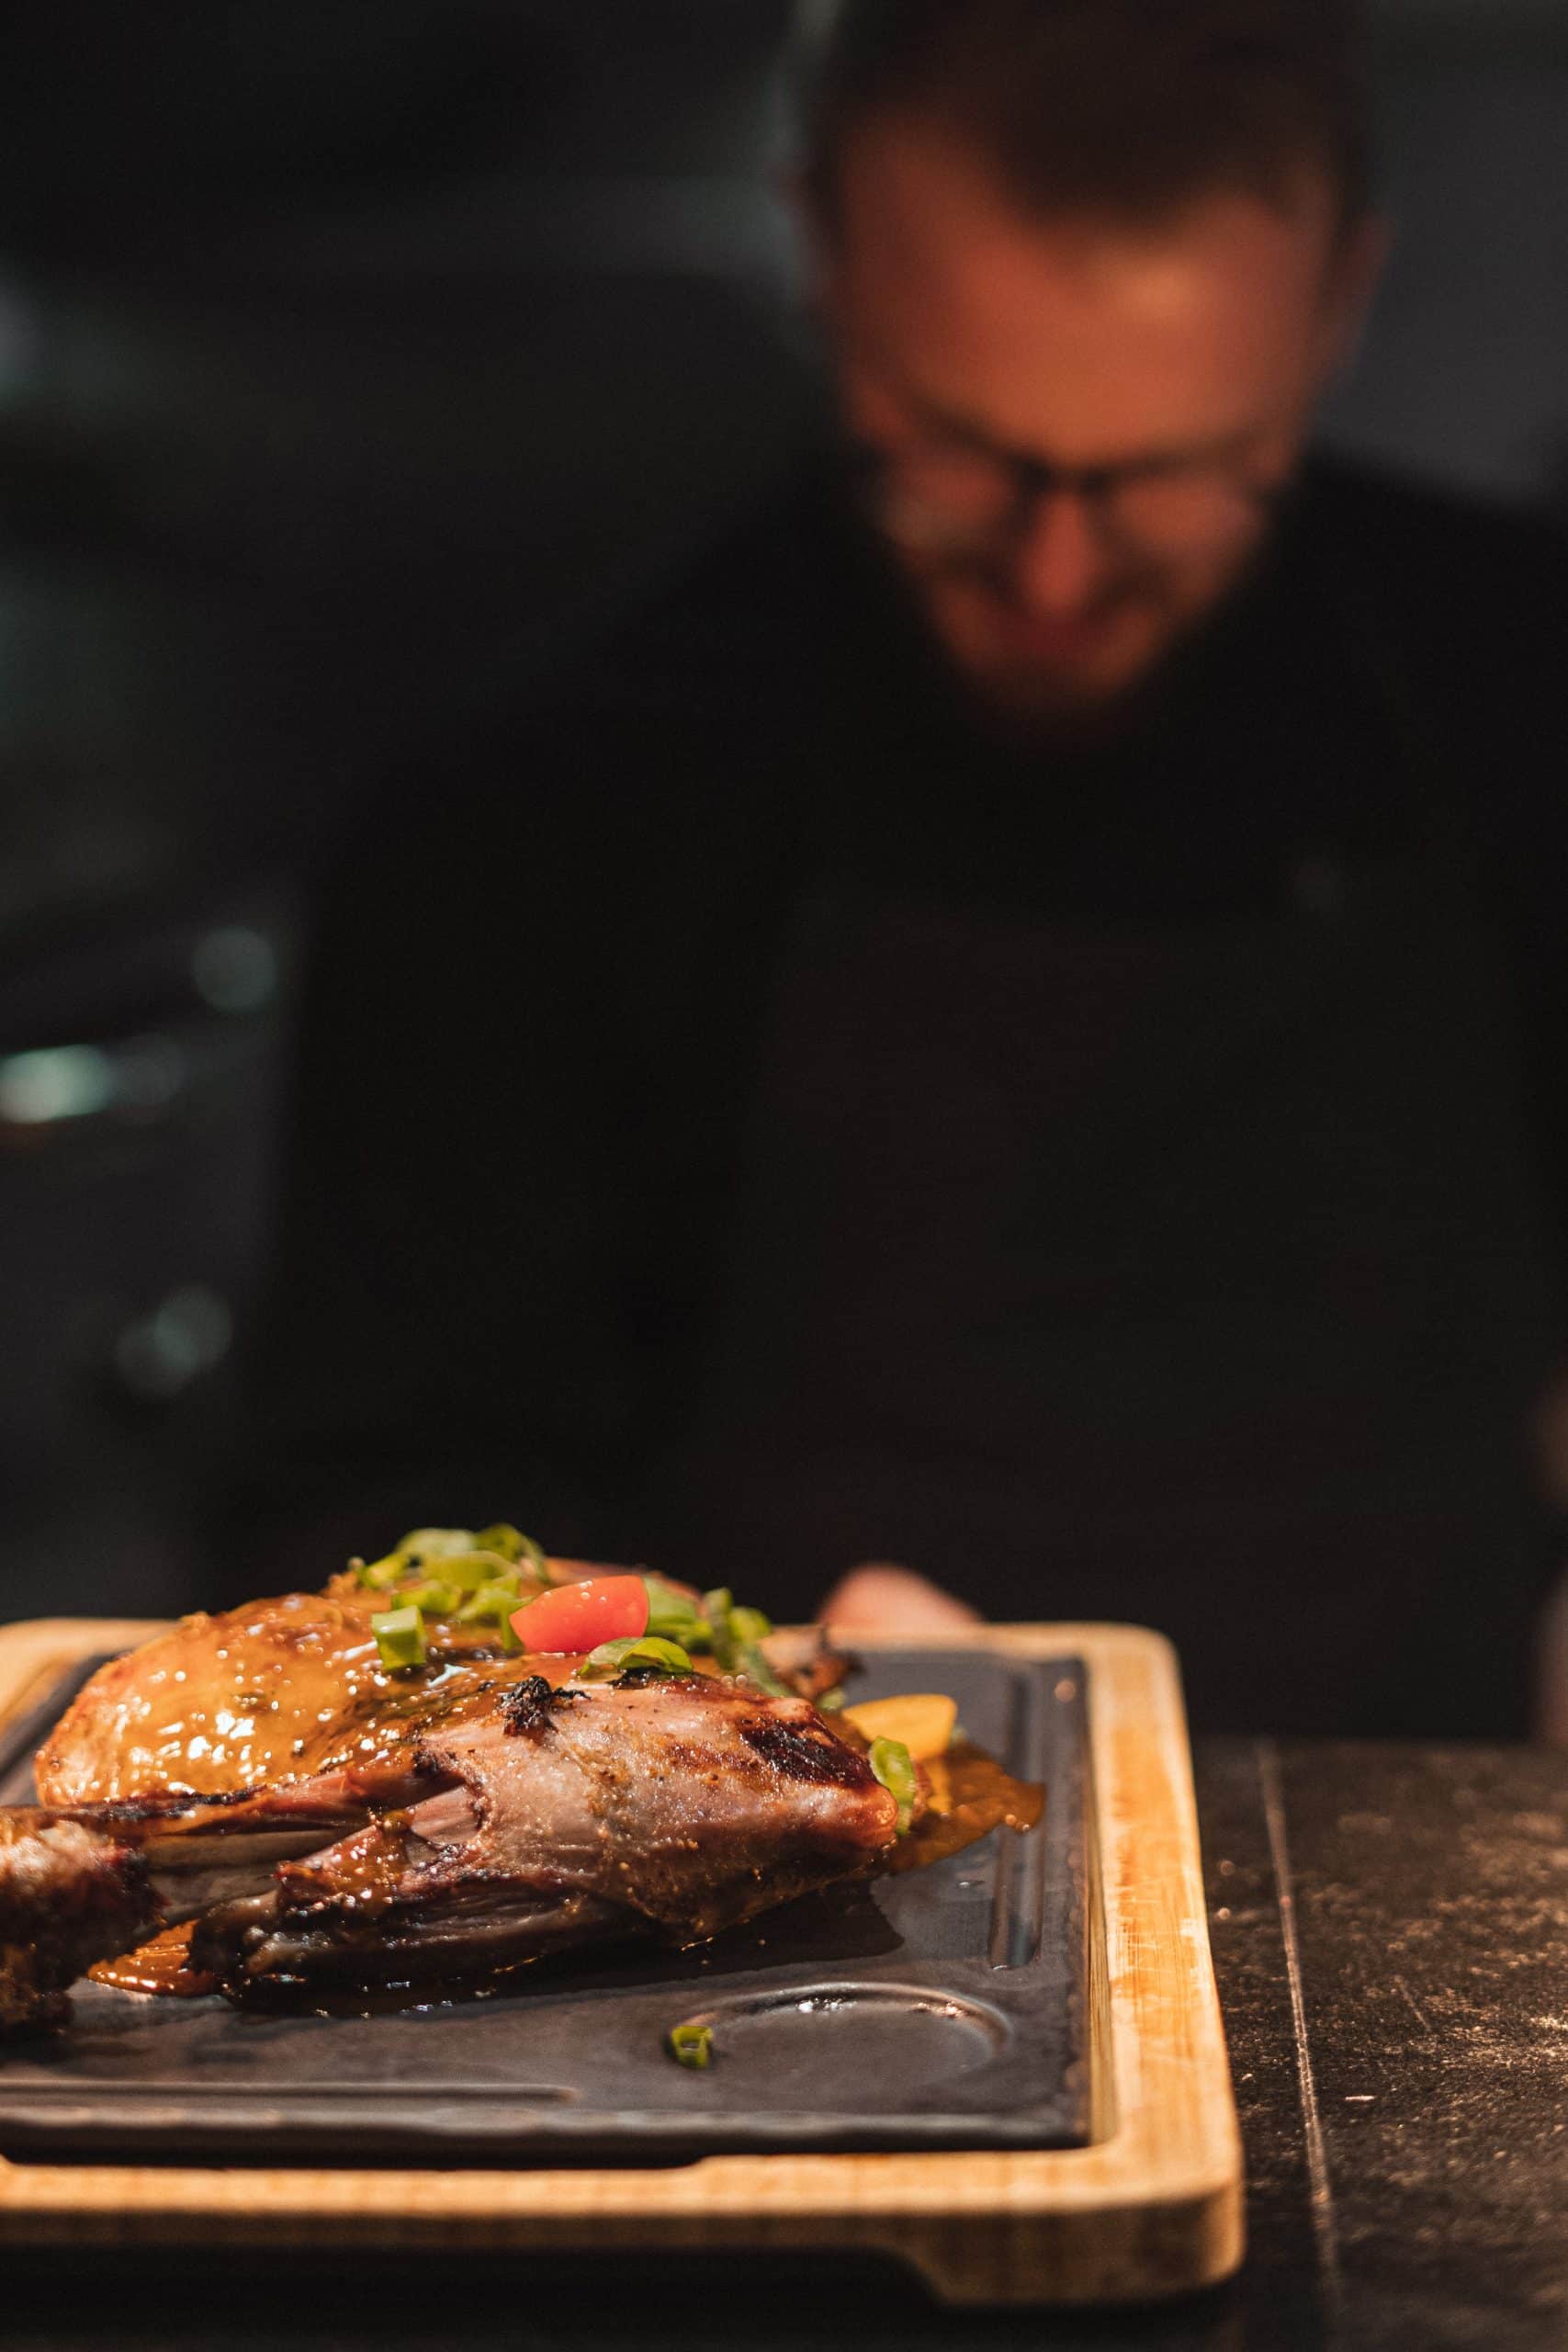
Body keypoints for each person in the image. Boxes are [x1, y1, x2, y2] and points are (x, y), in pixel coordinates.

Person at [240, 0, 1568, 1738]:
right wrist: (722, 1687)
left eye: (1174, 479)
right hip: (773, 1881)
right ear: (825, 261)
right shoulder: (532, 804)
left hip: (1417, 1820)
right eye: (962, 458)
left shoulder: (1524, 689)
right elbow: (370, 1516)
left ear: (1340, 303)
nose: (1058, 579)